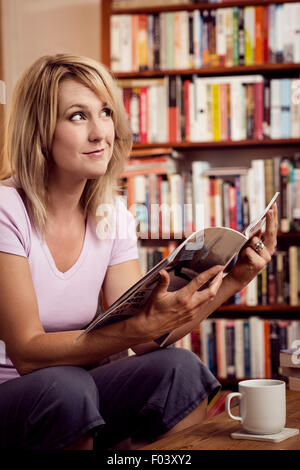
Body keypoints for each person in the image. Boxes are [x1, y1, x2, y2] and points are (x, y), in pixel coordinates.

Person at [0, 54, 278, 450]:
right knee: (67, 385)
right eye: (78, 116)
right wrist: (139, 328)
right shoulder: (6, 209)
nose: (101, 133)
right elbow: (26, 353)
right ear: (39, 130)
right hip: (16, 396)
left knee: (179, 368)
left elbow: (149, 336)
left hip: (78, 392)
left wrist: (234, 280)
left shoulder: (111, 214)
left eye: (106, 112)